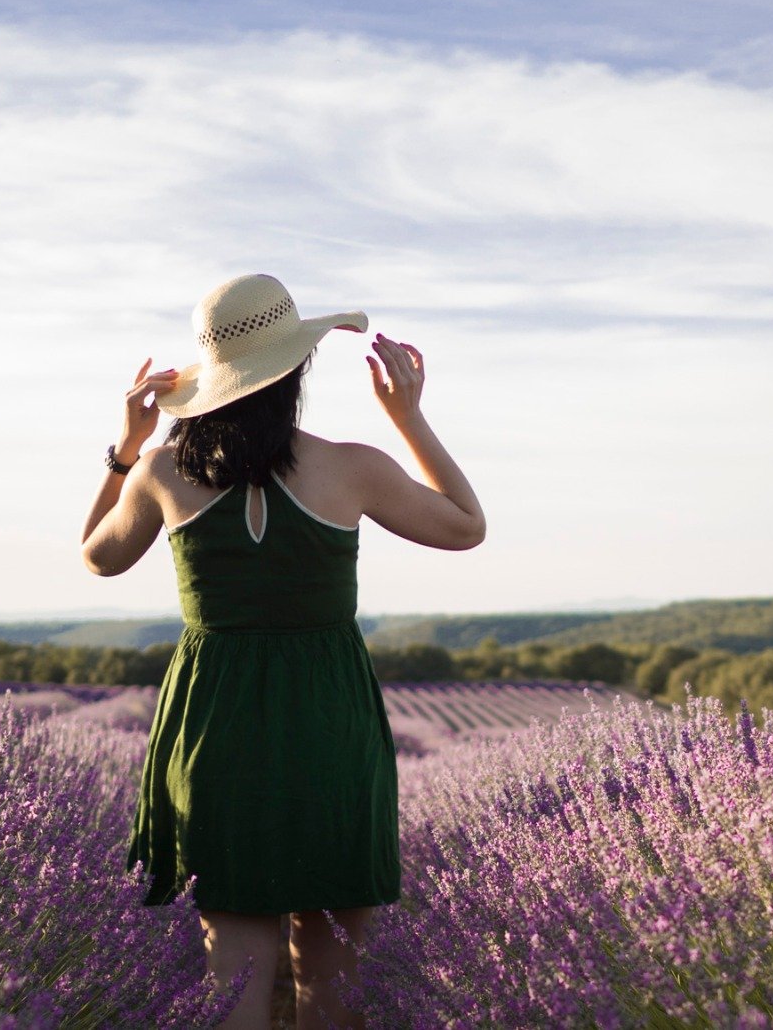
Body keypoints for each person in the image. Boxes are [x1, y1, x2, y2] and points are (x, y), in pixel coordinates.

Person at [79, 273, 486, 1029]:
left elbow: (97, 557)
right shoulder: (351, 466)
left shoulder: (164, 470)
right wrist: (409, 418)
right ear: (296, 368)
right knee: (331, 984)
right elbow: (466, 525)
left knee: (232, 979)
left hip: (213, 730)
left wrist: (125, 452)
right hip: (330, 728)